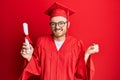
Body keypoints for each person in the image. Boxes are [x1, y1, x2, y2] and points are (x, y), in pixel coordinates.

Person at [20, 2, 99, 80]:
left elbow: (79, 72)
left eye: (61, 23)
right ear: (50, 25)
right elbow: (37, 69)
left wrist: (87, 53)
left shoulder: (76, 44)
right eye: (53, 24)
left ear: (68, 24)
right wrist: (29, 57)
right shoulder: (41, 42)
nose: (57, 27)